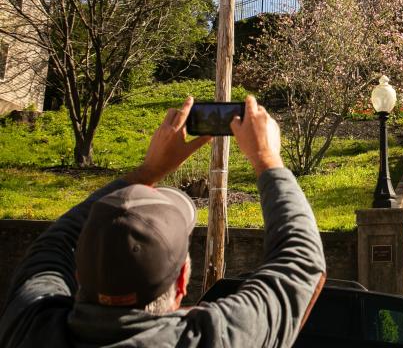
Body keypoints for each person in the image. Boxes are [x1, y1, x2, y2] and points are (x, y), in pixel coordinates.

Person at [0, 95, 326, 347]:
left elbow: (55, 242)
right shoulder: (205, 340)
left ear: (77, 273)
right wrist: (267, 158)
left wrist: (148, 171)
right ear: (183, 280)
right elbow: (301, 263)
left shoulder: (30, 326)